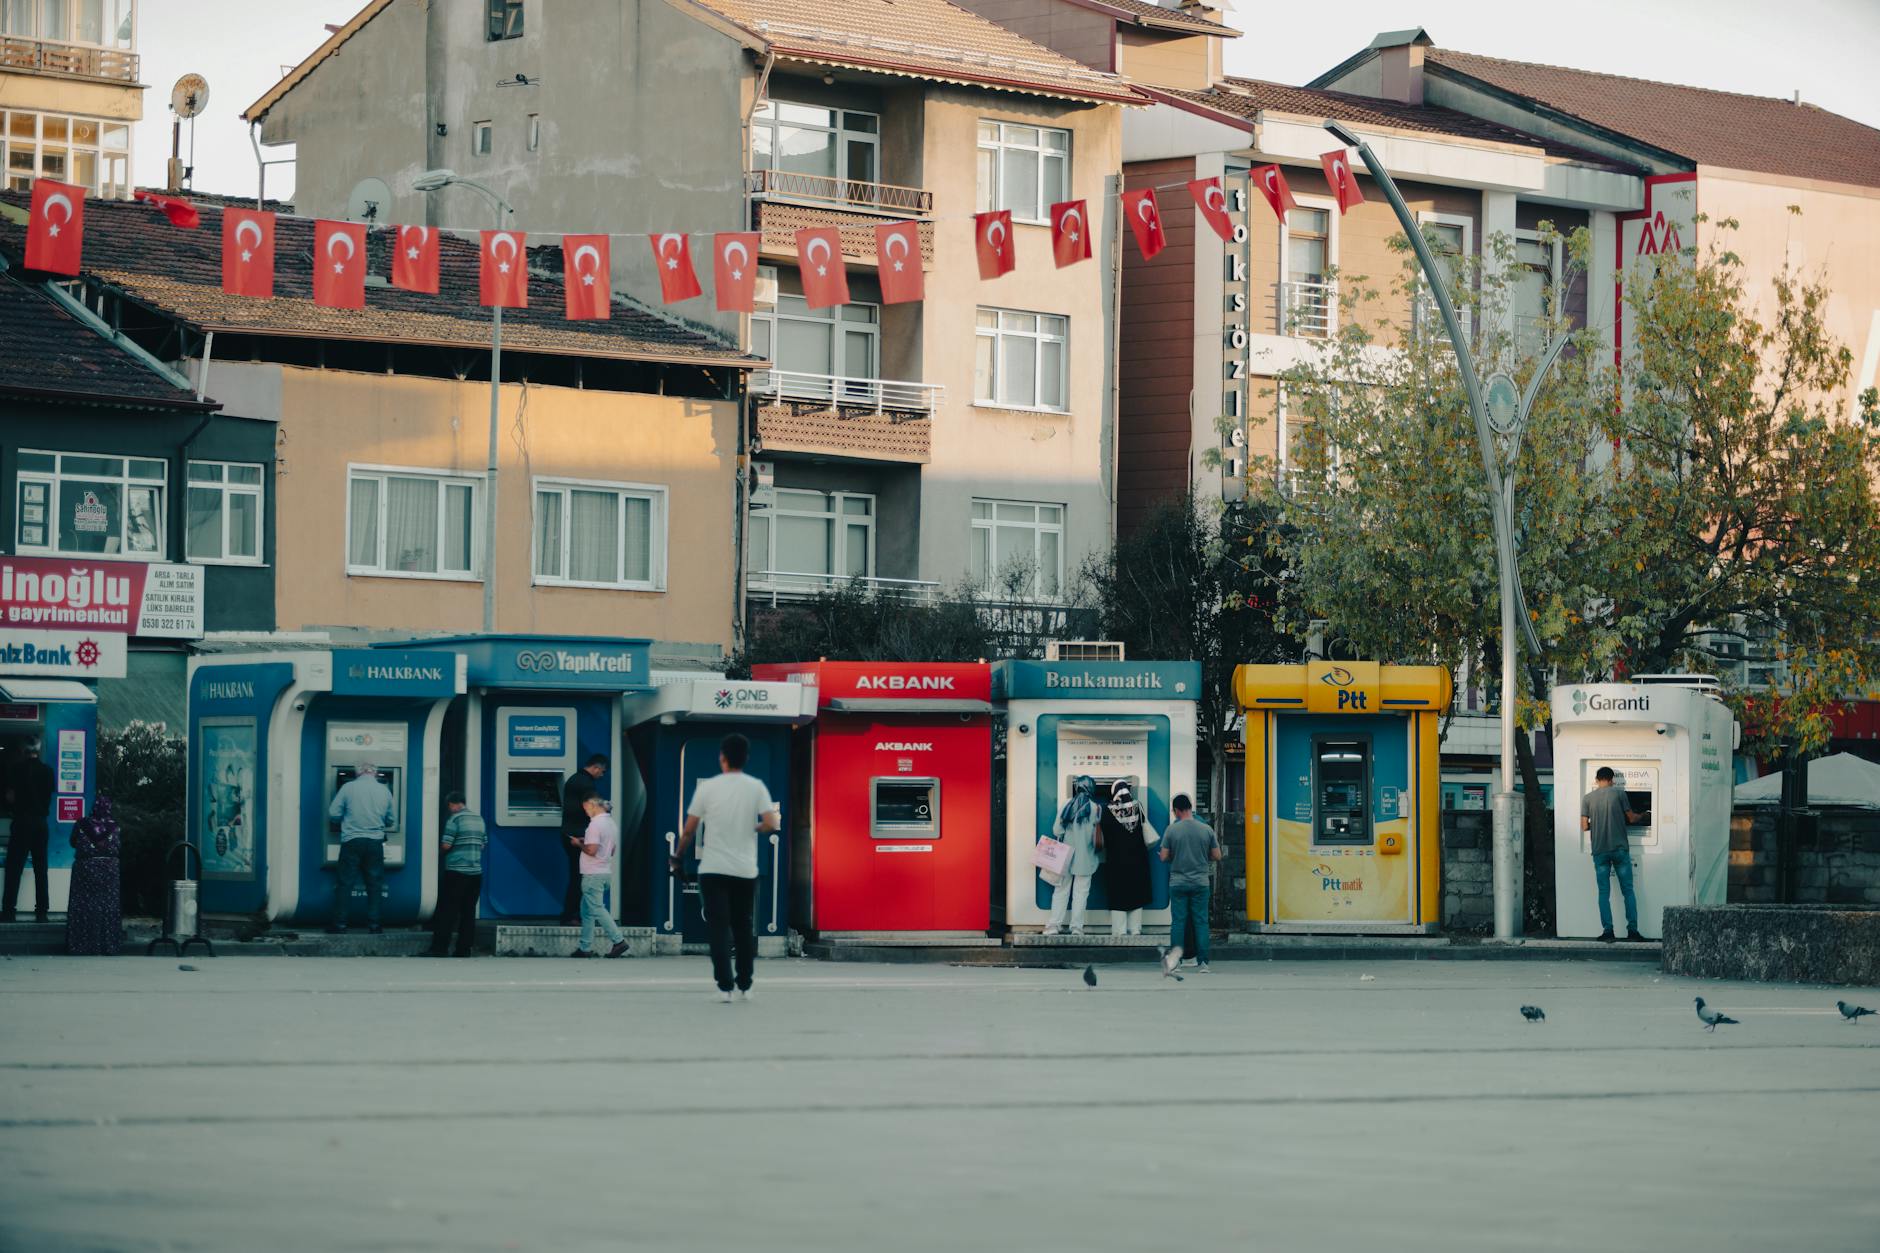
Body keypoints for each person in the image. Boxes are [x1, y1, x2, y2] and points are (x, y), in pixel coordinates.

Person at [673, 733, 778, 1002]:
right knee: (743, 927)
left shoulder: (708, 788)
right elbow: (771, 823)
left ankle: (725, 987)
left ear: (722, 758)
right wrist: (755, 827)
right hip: (744, 870)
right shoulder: (756, 787)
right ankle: (745, 983)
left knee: (718, 928)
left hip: (713, 868)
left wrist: (679, 855)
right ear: (746, 758)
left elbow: (689, 829)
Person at [326, 763, 395, 934]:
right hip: (375, 842)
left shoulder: (348, 787)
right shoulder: (384, 790)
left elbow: (333, 813)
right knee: (374, 884)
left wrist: (345, 820)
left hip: (352, 840)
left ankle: (340, 924)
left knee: (345, 883)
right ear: (376, 773)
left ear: (358, 773)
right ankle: (374, 925)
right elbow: (391, 819)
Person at [1582, 766, 1646, 942]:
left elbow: (1584, 826)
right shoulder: (1620, 794)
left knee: (1604, 893)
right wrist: (1643, 815)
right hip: (1619, 849)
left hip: (1600, 851)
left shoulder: (1587, 798)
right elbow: (1631, 818)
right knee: (1628, 891)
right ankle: (1632, 931)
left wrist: (1599, 824)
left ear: (1597, 779)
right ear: (1612, 779)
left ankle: (1608, 932)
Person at [1159, 794, 1220, 974]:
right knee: (1201, 922)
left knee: (1178, 922)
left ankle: (1176, 963)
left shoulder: (1172, 830)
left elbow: (1163, 857)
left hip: (1178, 882)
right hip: (1200, 882)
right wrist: (1202, 856)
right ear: (1190, 807)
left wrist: (1173, 856)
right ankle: (1203, 963)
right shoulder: (1206, 829)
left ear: (1176, 810)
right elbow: (1217, 856)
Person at [569, 794, 630, 959]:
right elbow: (610, 850)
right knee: (587, 912)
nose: (586, 812)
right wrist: (587, 840)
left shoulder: (594, 825)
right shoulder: (611, 824)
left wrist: (578, 844)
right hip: (604, 872)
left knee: (597, 908)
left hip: (592, 874)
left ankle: (619, 941)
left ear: (593, 805)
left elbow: (591, 851)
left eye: (586, 808)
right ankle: (585, 948)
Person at [1, 741, 56, 923]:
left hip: (22, 822)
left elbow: (10, 797)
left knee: (14, 868)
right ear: (39, 750)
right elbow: (49, 795)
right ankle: (42, 912)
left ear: (24, 750)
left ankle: (9, 911)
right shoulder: (48, 771)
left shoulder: (15, 769)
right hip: (40, 824)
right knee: (41, 869)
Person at [430, 791, 486, 957]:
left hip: (456, 871)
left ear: (452, 804)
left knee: (447, 911)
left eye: (449, 806)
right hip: (476, 873)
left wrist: (438, 855)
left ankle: (439, 948)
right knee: (468, 912)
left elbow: (447, 845)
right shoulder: (479, 819)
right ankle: (464, 949)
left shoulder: (454, 819)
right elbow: (483, 844)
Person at [1045, 775, 1102, 936]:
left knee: (1060, 891)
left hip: (1065, 857)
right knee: (1081, 894)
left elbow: (1057, 830)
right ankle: (1076, 928)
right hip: (1086, 858)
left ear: (1077, 787)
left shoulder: (1066, 804)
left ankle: (1053, 926)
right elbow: (1095, 836)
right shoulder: (1096, 808)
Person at [1097, 780, 1156, 936]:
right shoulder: (1138, 806)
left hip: (1116, 860)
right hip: (1138, 859)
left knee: (1118, 894)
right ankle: (1135, 930)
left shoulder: (1107, 809)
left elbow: (1104, 835)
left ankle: (1119, 931)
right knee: (1137, 893)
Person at [65, 795, 122, 955]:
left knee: (83, 905)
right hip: (109, 871)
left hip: (84, 868)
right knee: (107, 906)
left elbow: (72, 842)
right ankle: (107, 946)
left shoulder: (82, 824)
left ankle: (81, 945)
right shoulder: (115, 826)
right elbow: (119, 846)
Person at [559, 754, 608, 925]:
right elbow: (595, 808)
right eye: (602, 771)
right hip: (578, 836)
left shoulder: (574, 779)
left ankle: (572, 915)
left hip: (570, 834)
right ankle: (573, 916)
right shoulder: (586, 783)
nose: (601, 775)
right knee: (582, 879)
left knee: (577, 877)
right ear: (595, 767)